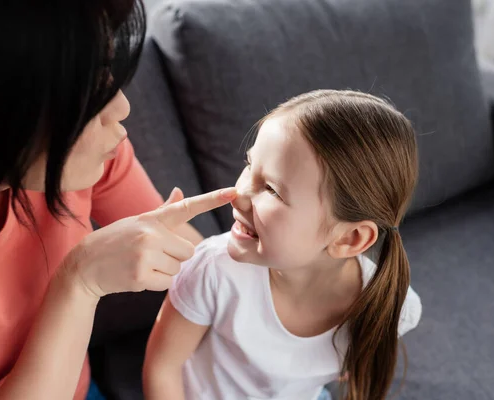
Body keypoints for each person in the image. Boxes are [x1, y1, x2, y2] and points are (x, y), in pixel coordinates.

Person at [0, 1, 236, 399]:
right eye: (90, 88)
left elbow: (196, 261)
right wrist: (79, 281)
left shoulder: (87, 159)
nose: (122, 108)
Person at [143, 90, 423, 400]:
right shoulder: (213, 269)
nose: (239, 193)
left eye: (272, 190)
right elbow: (162, 370)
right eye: (249, 165)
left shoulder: (392, 305)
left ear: (349, 238)